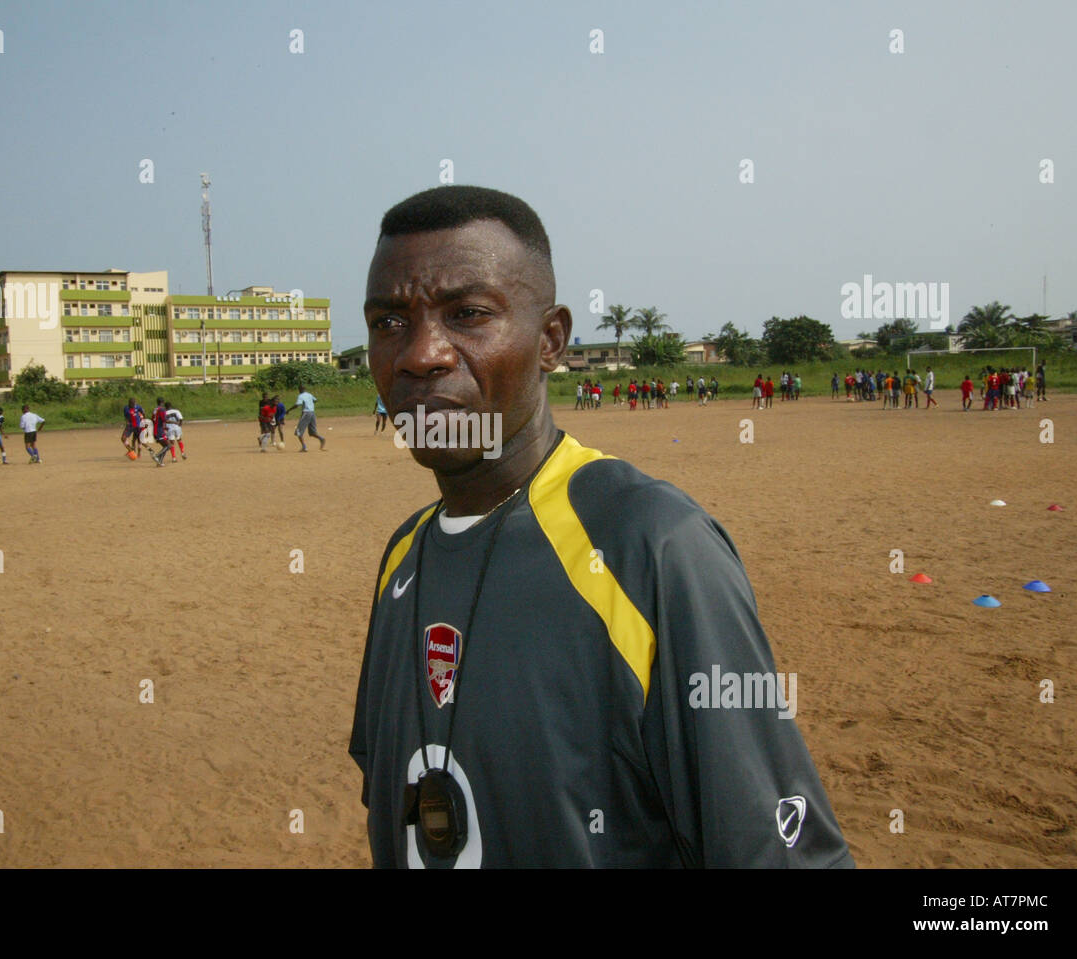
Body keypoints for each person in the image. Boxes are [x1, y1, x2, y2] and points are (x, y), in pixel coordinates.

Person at [350, 185, 852, 868]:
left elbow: (778, 853)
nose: (421, 353)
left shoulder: (650, 544)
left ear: (551, 339)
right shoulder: (402, 559)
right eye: (388, 322)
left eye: (467, 314)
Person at [287, 387, 326, 451]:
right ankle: (321, 439)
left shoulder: (301, 396)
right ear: (305, 390)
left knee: (299, 431)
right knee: (312, 432)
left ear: (299, 390)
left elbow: (297, 405)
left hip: (306, 413)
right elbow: (315, 400)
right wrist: (310, 403)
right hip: (312, 413)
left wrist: (289, 410)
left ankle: (304, 447)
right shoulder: (309, 394)